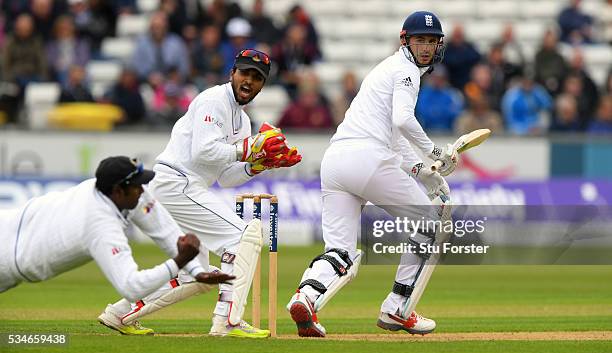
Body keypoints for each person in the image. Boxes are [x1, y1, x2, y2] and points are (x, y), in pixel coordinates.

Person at [285, 11, 458, 337]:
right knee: (432, 222)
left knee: (341, 252)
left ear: (439, 46)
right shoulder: (407, 71)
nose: (425, 47)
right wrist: (437, 153)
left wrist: (423, 171)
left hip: (336, 162)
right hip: (368, 160)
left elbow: (394, 136)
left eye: (431, 41)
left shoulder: (386, 68)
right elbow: (403, 121)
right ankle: (397, 308)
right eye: (420, 40)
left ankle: (305, 298)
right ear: (405, 41)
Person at [139, 49, 301, 338]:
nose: (249, 81)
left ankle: (120, 314)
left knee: (198, 276)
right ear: (232, 74)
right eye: (244, 73)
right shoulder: (214, 100)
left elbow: (226, 177)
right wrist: (249, 149)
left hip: (185, 186)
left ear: (263, 85)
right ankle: (228, 320)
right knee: (244, 236)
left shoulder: (243, 121)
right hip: (177, 182)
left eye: (256, 78)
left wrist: (258, 166)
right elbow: (204, 151)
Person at [0, 156, 233, 334]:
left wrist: (196, 271)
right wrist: (179, 262)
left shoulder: (111, 189)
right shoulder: (100, 226)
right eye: (137, 186)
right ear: (118, 191)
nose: (143, 191)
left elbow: (164, 230)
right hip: (6, 261)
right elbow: (131, 287)